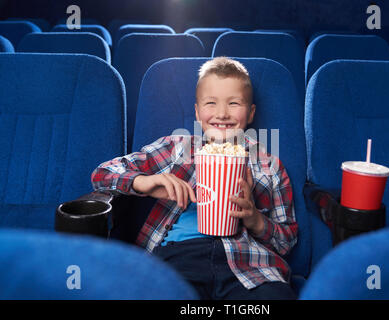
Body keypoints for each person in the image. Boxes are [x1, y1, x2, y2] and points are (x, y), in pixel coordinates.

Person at [91, 57, 298, 300]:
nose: (222, 113)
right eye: (211, 103)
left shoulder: (269, 165)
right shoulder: (177, 149)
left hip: (248, 263)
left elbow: (287, 241)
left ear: (251, 113)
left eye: (234, 103)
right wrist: (143, 182)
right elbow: (102, 174)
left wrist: (254, 219)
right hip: (178, 257)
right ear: (198, 113)